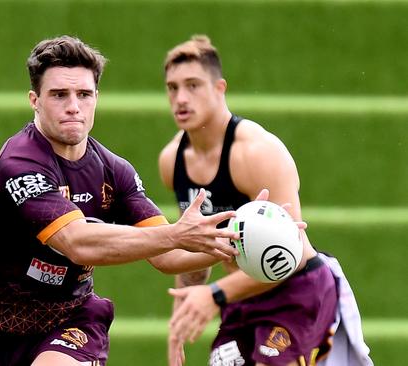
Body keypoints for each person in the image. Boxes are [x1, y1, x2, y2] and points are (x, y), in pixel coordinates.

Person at [0, 35, 243, 366]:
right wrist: (177, 234)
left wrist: (237, 241)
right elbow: (78, 243)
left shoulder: (113, 170)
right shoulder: (19, 164)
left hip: (75, 320)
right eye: (59, 95)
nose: (73, 105)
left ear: (96, 97)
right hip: (1, 331)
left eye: (84, 94)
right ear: (34, 100)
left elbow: (168, 256)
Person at [158, 35, 371, 366]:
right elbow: (196, 250)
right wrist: (179, 321)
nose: (181, 98)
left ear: (219, 88)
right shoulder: (172, 161)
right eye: (172, 88)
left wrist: (214, 295)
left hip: (296, 290)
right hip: (241, 297)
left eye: (193, 85)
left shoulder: (256, 152)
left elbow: (293, 253)